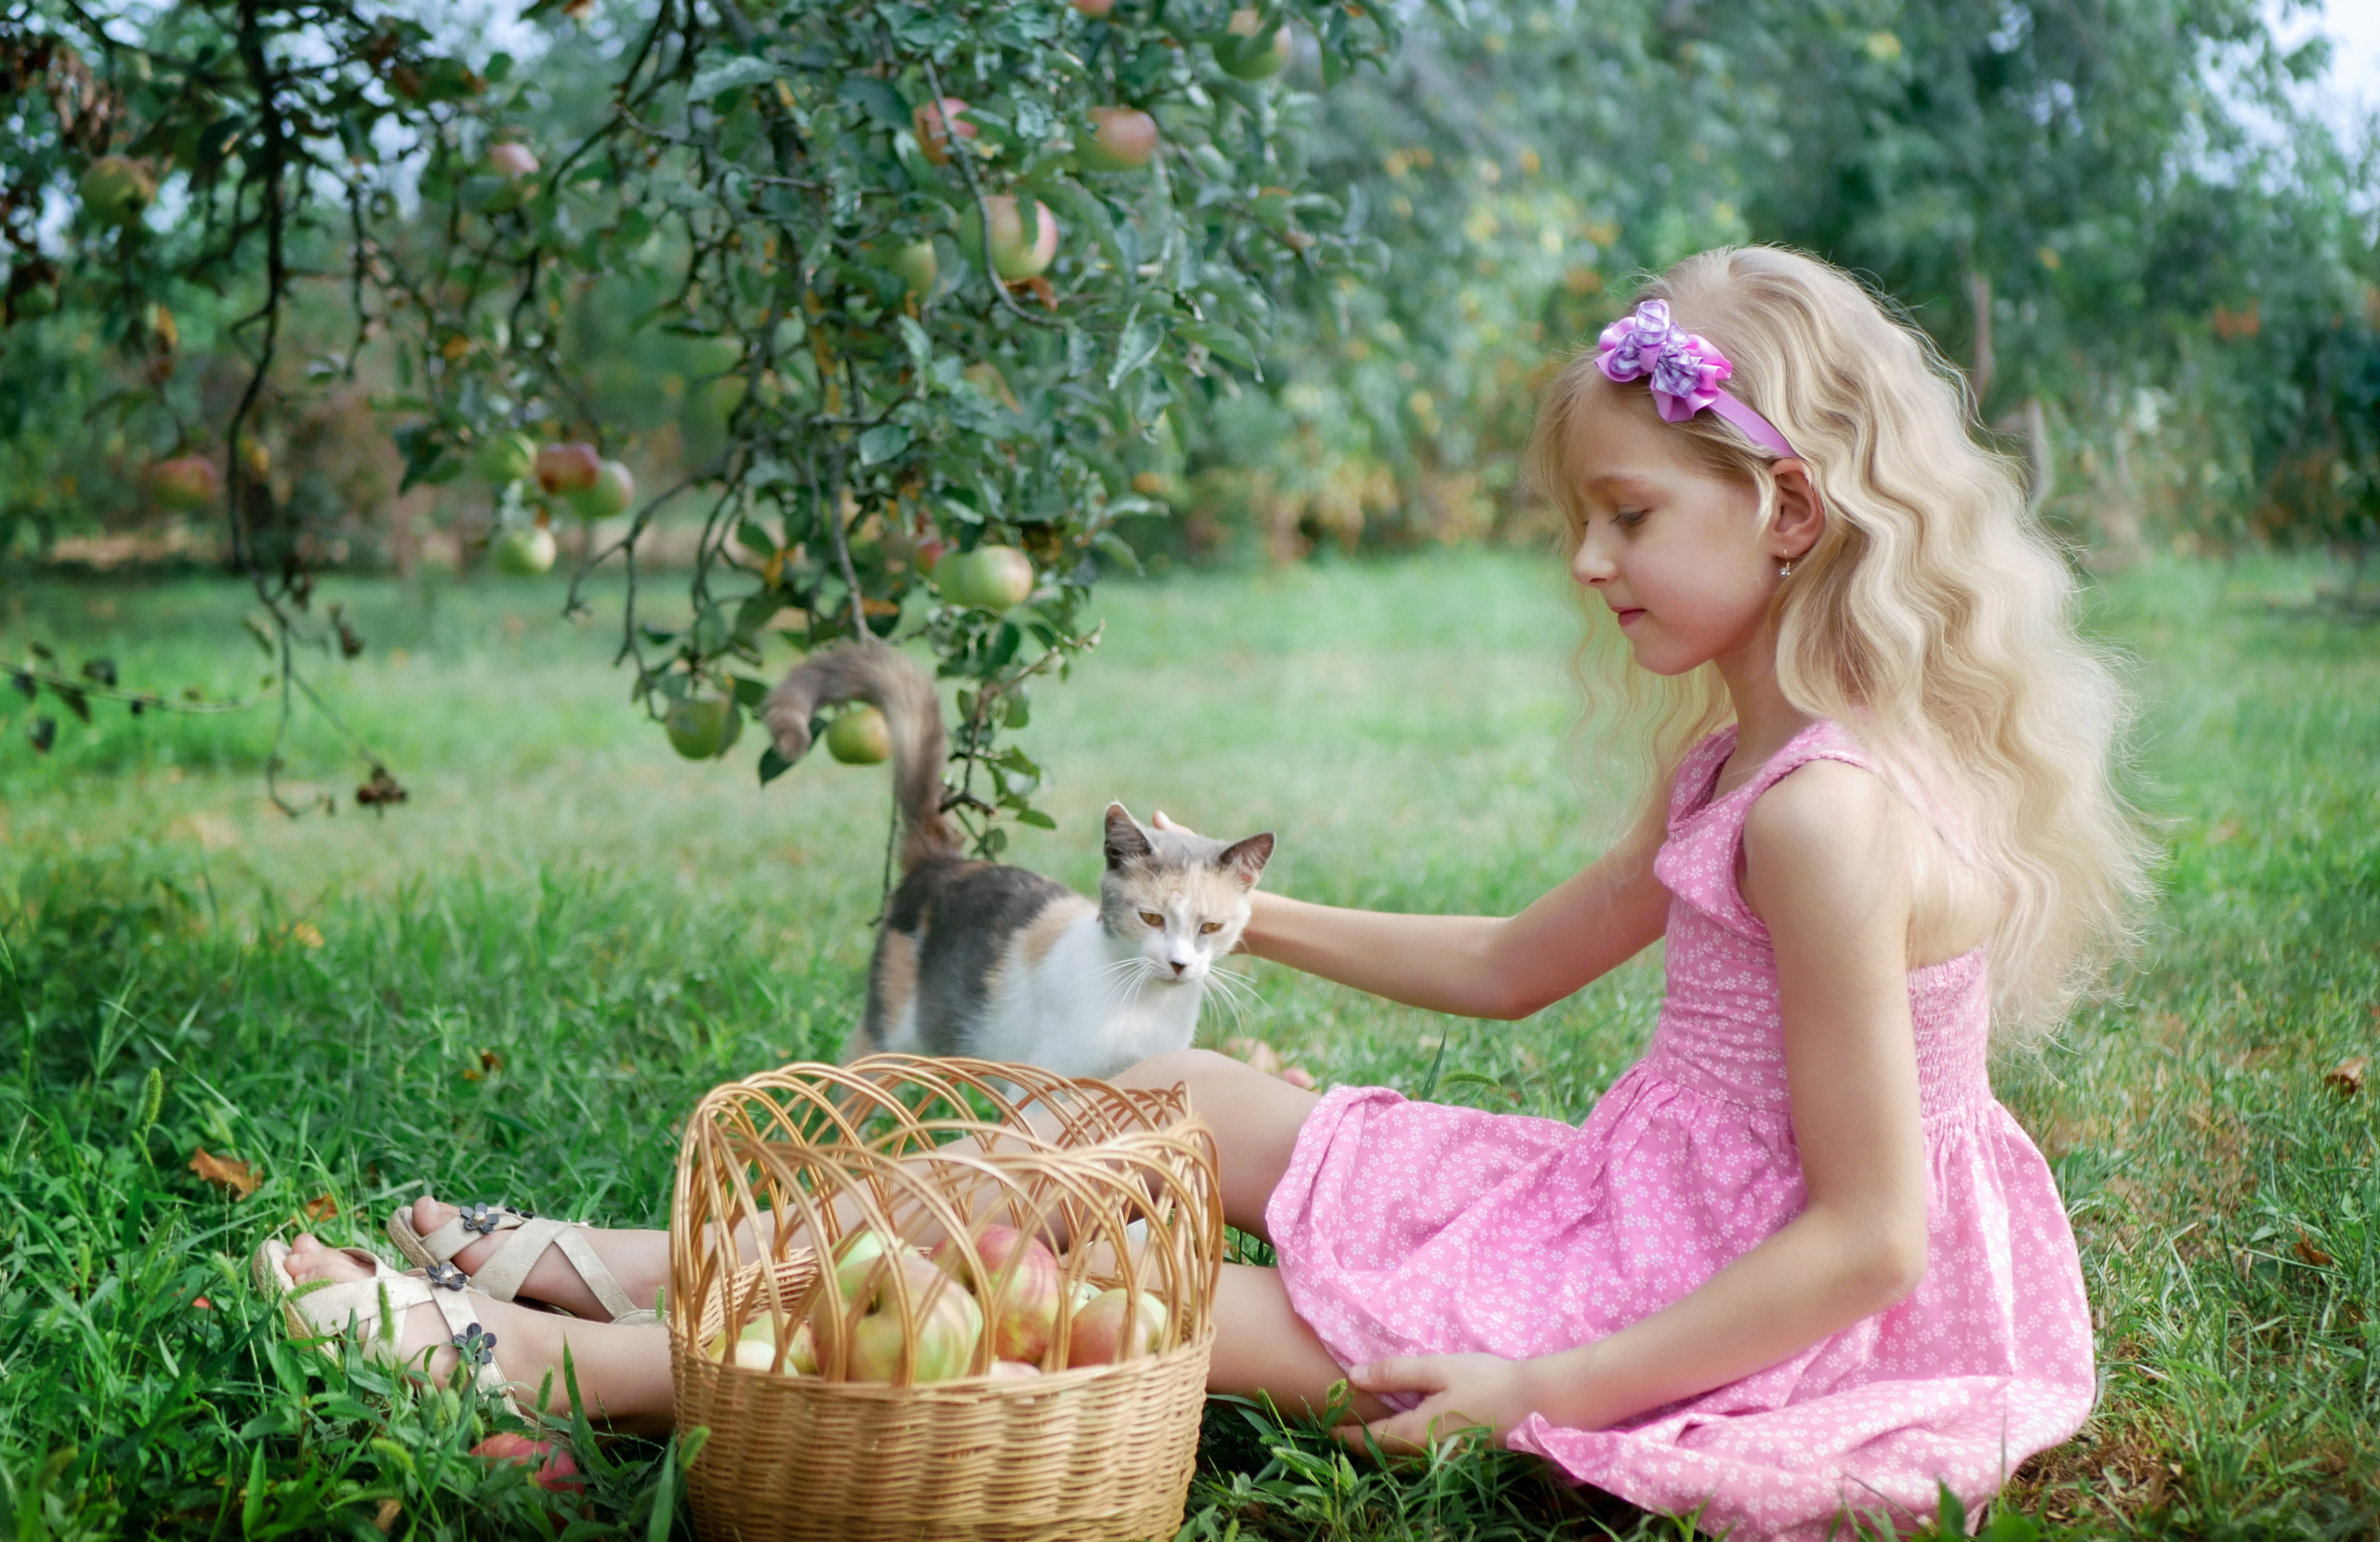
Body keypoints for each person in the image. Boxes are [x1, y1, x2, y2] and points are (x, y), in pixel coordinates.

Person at [261, 245, 2148, 1538]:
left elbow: (1869, 1238)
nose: (1587, 560)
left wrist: (1536, 1383)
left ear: (1789, 512)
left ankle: (563, 1360)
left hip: (1718, 1302)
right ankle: (644, 1255)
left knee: (1116, 1291)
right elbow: (1513, 965)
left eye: (1629, 515)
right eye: (1583, 515)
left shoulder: (1824, 819)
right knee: (1162, 1095)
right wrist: (1250, 916)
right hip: (1632, 1206)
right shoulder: (1739, 764)